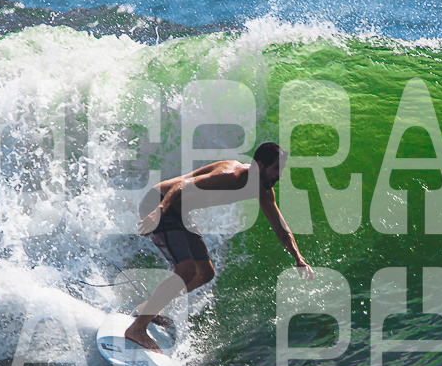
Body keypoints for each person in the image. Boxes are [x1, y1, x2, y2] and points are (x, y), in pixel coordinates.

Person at [125, 141, 315, 352]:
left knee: (205, 273)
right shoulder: (231, 175)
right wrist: (160, 211)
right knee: (186, 270)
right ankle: (137, 329)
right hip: (159, 203)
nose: (279, 175)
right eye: (276, 168)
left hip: (179, 212)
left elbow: (281, 228)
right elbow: (182, 185)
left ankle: (147, 309)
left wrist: (299, 259)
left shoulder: (264, 190)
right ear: (260, 165)